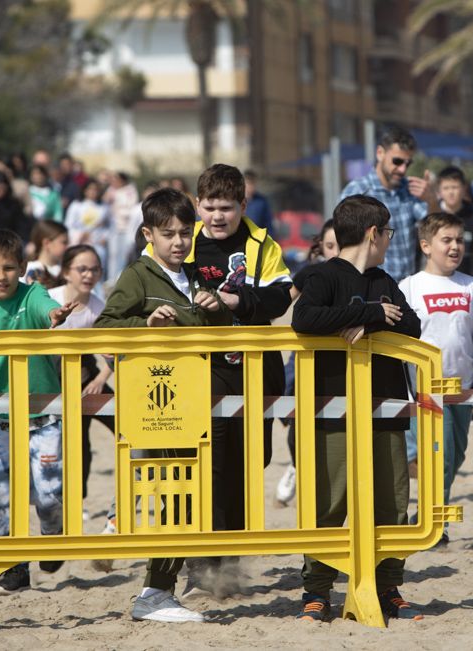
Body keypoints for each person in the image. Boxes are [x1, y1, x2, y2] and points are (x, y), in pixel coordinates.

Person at [95, 188, 232, 623]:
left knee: (188, 499)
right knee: (174, 498)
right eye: (168, 234)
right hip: (155, 409)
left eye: (185, 233)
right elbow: (104, 327)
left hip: (190, 408)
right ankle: (155, 591)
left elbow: (211, 330)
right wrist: (145, 323)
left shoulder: (193, 278)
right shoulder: (138, 275)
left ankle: (160, 589)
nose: (178, 242)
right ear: (147, 233)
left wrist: (214, 310)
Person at [291, 194, 423, 622]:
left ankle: (389, 588)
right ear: (374, 233)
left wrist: (372, 319)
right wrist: (365, 311)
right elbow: (305, 319)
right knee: (328, 503)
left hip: (385, 410)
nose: (389, 240)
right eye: (388, 233)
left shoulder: (385, 279)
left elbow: (413, 324)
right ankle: (317, 591)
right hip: (332, 411)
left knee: (392, 504)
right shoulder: (323, 276)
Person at [167, 163, 292, 598]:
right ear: (197, 205)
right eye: (209, 207)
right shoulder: (183, 239)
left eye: (226, 207)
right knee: (210, 464)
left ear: (243, 204)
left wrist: (240, 300)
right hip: (200, 370)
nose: (217, 216)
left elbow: (281, 296)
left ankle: (230, 564)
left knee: (250, 462)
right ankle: (202, 568)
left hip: (256, 369)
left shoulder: (263, 243)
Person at [0, 229, 75, 595]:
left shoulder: (34, 294)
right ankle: (13, 566)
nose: (2, 276)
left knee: (48, 494)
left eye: (9, 268)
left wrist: (54, 315)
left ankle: (50, 537)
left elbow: (46, 309)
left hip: (44, 417)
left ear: (22, 268)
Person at [399, 212, 473, 543]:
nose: (455, 247)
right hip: (425, 391)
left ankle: (424, 514)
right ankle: (433, 525)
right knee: (439, 457)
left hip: (463, 392)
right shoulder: (409, 287)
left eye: (459, 240)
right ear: (426, 245)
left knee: (456, 456)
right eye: (446, 240)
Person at [275, 219, 338, 507]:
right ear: (320, 248)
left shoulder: (367, 277)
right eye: (329, 246)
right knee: (296, 424)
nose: (336, 252)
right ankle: (295, 465)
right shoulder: (311, 274)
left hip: (346, 368)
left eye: (342, 245)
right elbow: (281, 302)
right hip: (304, 358)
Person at [45, 245, 114, 506]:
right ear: (66, 272)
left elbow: (114, 354)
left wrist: (99, 381)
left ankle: (79, 500)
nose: (89, 275)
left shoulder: (98, 308)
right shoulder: (48, 299)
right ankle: (57, 499)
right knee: (60, 442)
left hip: (86, 380)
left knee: (123, 422)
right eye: (82, 269)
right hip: (49, 381)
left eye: (95, 270)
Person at [338, 125, 439, 282]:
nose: (402, 169)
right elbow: (344, 246)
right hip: (372, 287)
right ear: (380, 153)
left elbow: (434, 227)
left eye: (407, 163)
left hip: (407, 289)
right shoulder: (357, 191)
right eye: (397, 161)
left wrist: (431, 200)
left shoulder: (410, 189)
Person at [435, 166, 473, 286]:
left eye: (455, 187)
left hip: (467, 283)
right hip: (435, 282)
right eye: (446, 188)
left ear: (464, 188)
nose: (451, 192)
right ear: (439, 191)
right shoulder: (431, 215)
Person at [65, 179, 111, 278]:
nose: (93, 192)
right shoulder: (76, 205)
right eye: (90, 189)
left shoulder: (104, 207)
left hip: (97, 244)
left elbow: (109, 226)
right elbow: (68, 225)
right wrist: (79, 234)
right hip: (79, 242)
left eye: (95, 189)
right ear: (85, 190)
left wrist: (105, 237)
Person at [103, 171, 139, 282]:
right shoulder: (111, 190)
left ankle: (120, 277)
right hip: (113, 227)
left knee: (123, 254)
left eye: (117, 179)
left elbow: (131, 207)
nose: (114, 182)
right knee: (113, 254)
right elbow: (105, 201)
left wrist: (121, 211)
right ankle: (111, 278)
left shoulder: (130, 190)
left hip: (126, 228)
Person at [22, 220, 69, 285]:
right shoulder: (29, 269)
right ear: (46, 243)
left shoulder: (67, 270)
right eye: (64, 242)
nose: (68, 247)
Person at [243, 169, 274, 238]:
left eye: (253, 183)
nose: (250, 187)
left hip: (257, 239)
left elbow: (268, 224)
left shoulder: (262, 201)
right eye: (248, 183)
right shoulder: (236, 200)